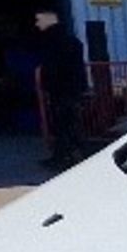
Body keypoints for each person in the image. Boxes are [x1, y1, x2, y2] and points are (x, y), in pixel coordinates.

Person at [33, 9, 88, 170]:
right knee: (68, 125)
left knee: (65, 126)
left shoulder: (55, 44)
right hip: (71, 90)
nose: (37, 24)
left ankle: (68, 158)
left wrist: (48, 84)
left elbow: (54, 69)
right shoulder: (71, 41)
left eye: (39, 20)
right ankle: (66, 156)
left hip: (63, 91)